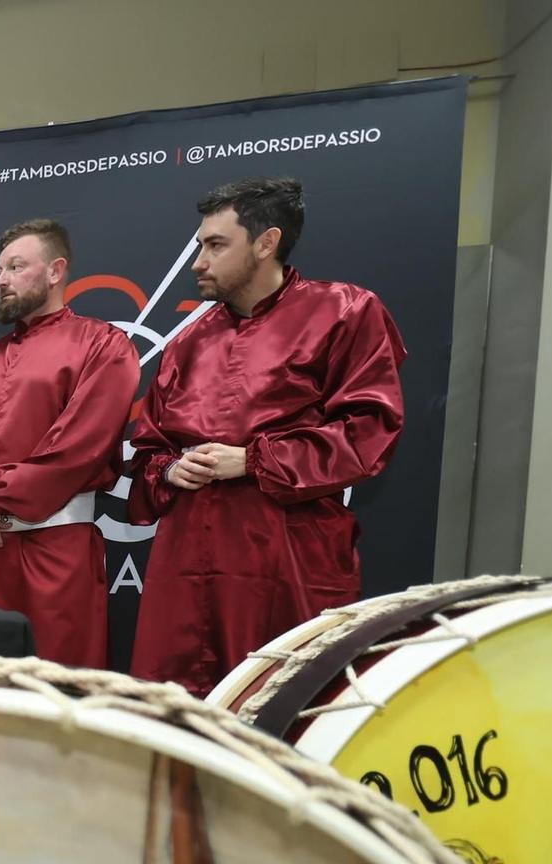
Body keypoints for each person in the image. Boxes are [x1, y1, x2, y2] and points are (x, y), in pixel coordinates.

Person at [127, 178, 407, 696]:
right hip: (186, 564)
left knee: (287, 704)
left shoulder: (345, 311)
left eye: (215, 245)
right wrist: (169, 468)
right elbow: (149, 447)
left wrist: (255, 460)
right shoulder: (189, 339)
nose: (198, 262)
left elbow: (369, 432)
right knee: (178, 716)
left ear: (266, 242)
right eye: (199, 246)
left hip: (287, 559)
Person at [0, 220, 139, 667]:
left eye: (16, 266)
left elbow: (81, 445)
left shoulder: (102, 346)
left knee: (57, 693)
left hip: (57, 557)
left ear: (56, 270)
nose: (1, 279)